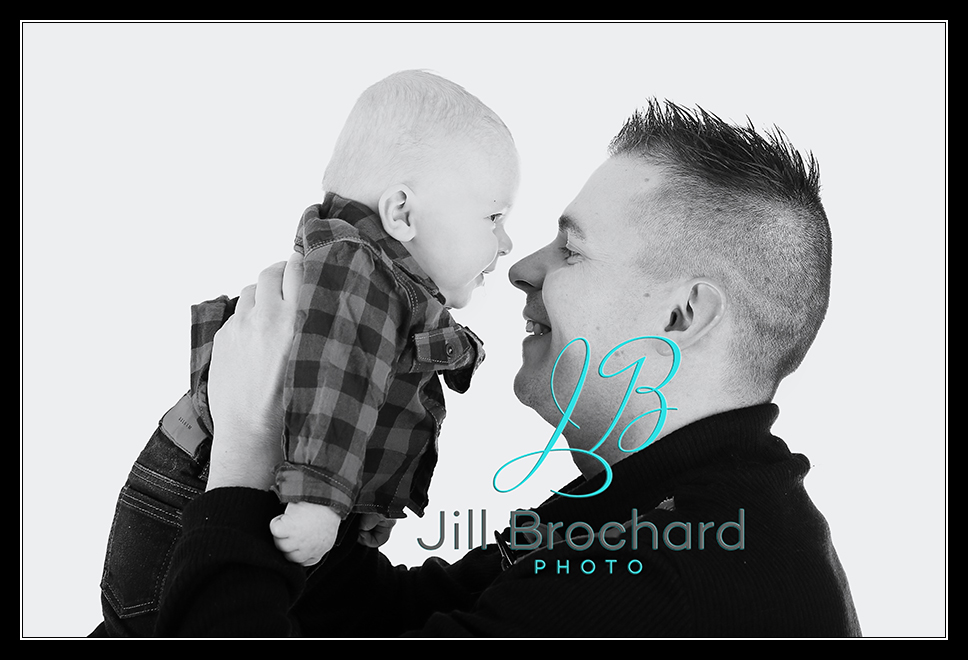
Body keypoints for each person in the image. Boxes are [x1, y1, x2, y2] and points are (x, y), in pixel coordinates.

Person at [151, 99, 861, 637]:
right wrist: (310, 435)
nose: (521, 269)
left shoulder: (672, 577)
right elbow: (388, 618)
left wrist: (245, 456)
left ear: (681, 317)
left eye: (572, 251)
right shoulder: (648, 509)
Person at [93, 70, 519, 636]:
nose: (507, 243)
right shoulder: (357, 271)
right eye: (494, 217)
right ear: (402, 213)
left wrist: (360, 507)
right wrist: (320, 499)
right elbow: (335, 385)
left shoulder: (384, 286)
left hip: (245, 505)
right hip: (196, 512)